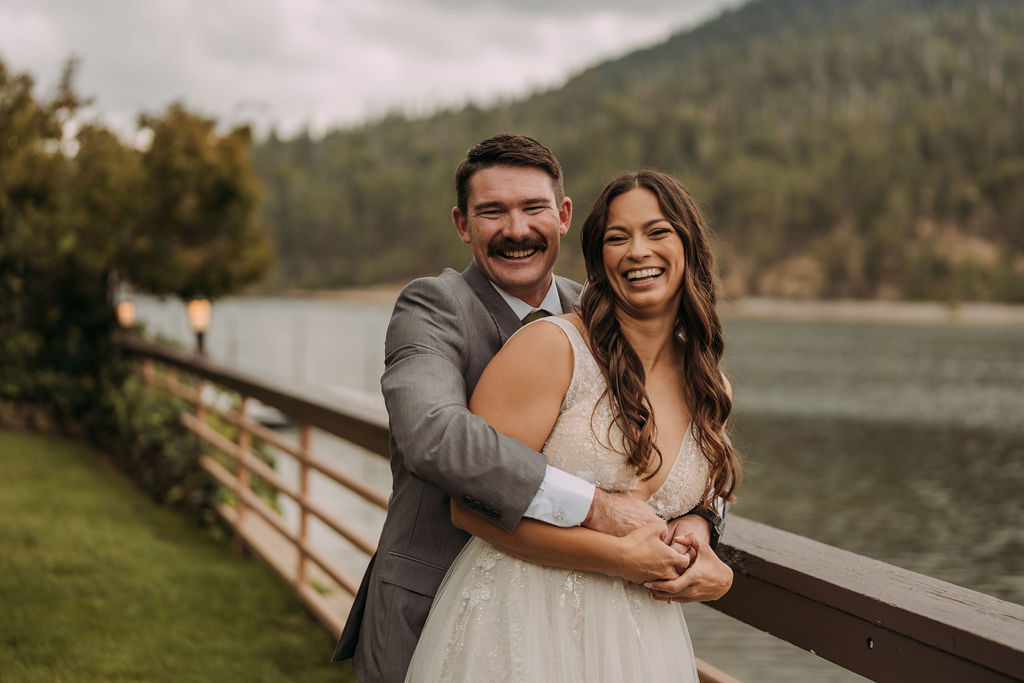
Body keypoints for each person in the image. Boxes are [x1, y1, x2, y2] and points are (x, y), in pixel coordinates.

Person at [332, 135, 726, 682]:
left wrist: (703, 524)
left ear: (563, 216)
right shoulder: (433, 306)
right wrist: (596, 507)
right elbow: (432, 434)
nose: (516, 230)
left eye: (533, 208)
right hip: (442, 608)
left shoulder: (605, 315)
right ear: (462, 225)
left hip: (597, 632)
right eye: (492, 212)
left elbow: (672, 454)